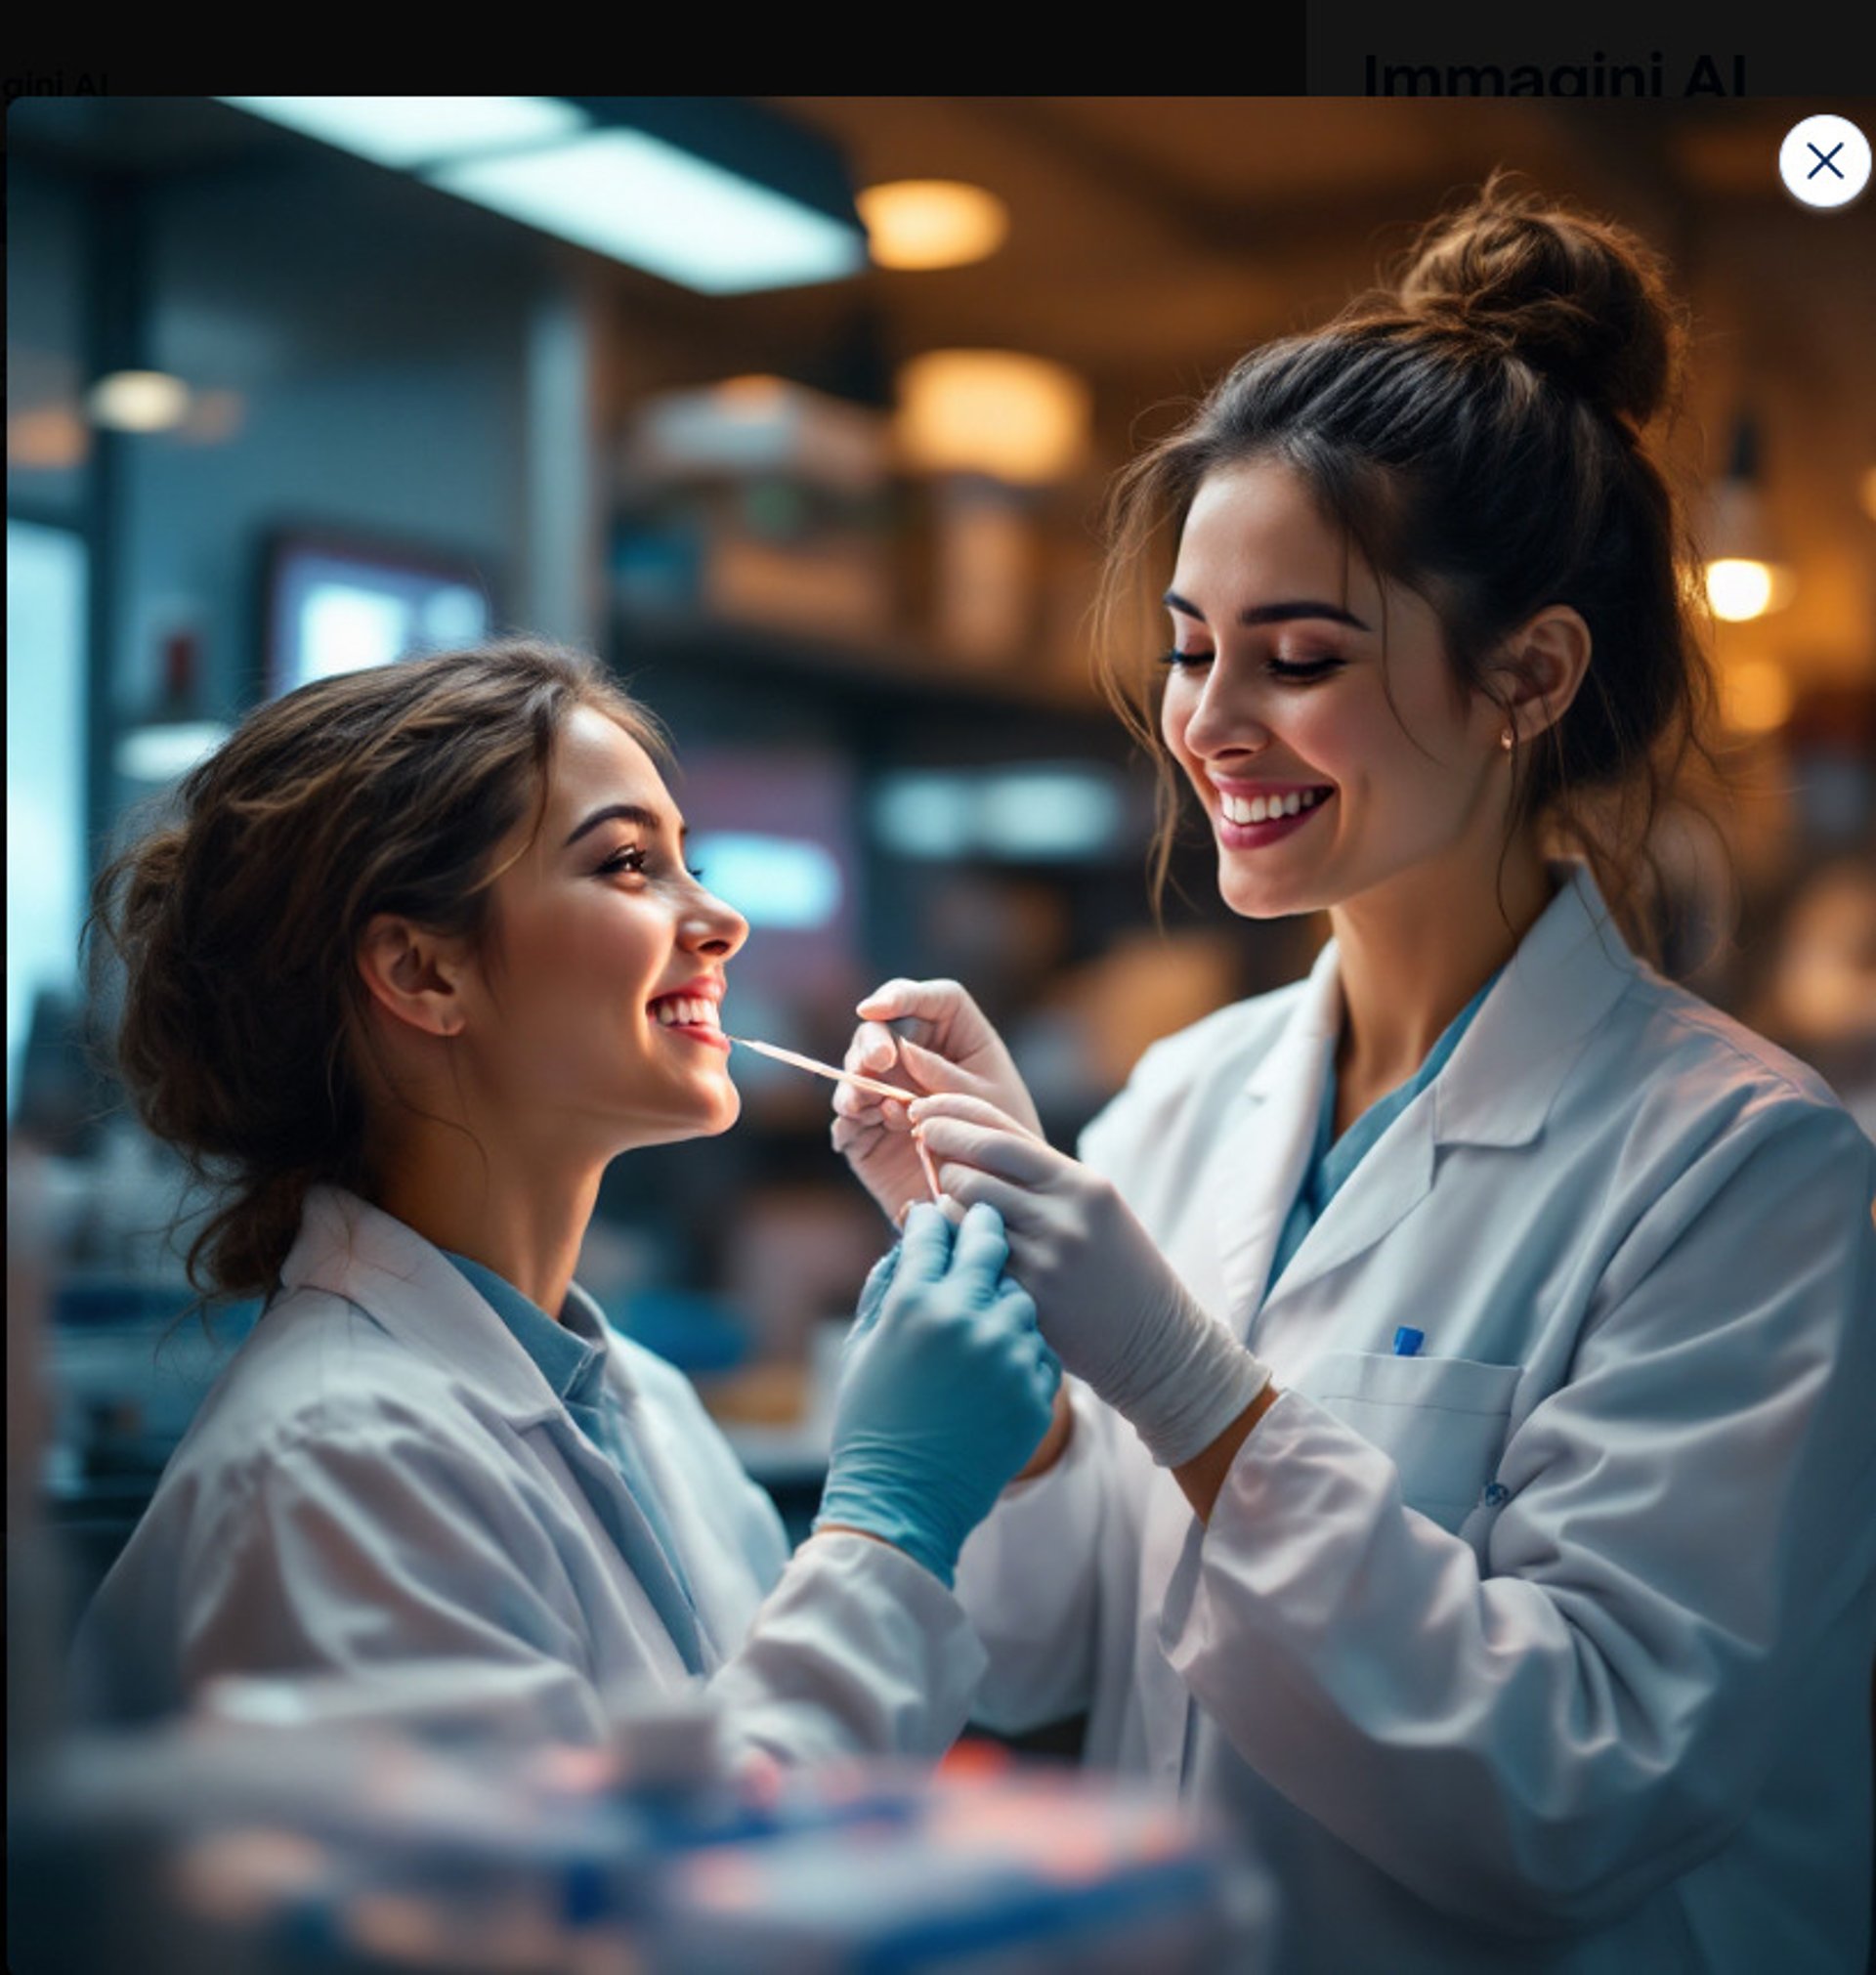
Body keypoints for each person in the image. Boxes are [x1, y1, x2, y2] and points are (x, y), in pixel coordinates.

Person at [831, 178, 1876, 1972]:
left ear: (1528, 676)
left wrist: (1187, 1384)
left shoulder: (1747, 1174)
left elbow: (1579, 1783)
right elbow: (1038, 1653)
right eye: (1189, 649)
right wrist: (1010, 1369)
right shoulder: (1184, 1098)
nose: (1213, 723)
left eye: (1300, 658)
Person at [70, 637, 1059, 1767]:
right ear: (422, 973)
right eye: (630, 864)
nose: (723, 919)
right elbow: (620, 1916)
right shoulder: (333, 1464)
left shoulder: (650, 1408)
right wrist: (891, 1520)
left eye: (686, 857)